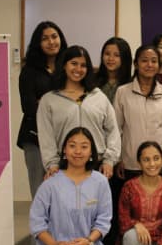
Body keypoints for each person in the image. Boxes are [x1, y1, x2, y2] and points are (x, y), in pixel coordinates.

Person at [29, 127, 112, 245]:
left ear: (91, 152)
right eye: (72, 145)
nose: (78, 151)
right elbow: (37, 222)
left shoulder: (100, 182)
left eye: (84, 146)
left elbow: (104, 220)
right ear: (64, 150)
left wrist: (88, 240)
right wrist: (54, 244)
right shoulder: (50, 184)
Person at [37, 45, 121, 180]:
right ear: (64, 65)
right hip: (63, 167)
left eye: (83, 65)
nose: (78, 69)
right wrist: (51, 164)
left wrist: (109, 160)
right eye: (74, 64)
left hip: (97, 167)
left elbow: (113, 131)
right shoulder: (49, 100)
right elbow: (46, 136)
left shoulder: (98, 96)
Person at [114, 44, 162, 179]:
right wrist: (118, 158)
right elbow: (116, 128)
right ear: (136, 64)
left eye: (154, 61)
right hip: (131, 162)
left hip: (161, 161)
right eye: (144, 60)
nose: (149, 65)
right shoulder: (122, 92)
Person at [17, 21, 67, 198]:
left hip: (63, 136)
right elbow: (29, 106)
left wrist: (44, 101)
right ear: (38, 43)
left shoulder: (68, 68)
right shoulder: (29, 71)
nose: (51, 42)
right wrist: (58, 104)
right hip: (35, 137)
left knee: (63, 191)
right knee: (40, 190)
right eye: (45, 38)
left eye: (54, 36)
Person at [95, 37, 133, 105]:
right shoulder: (92, 81)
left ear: (125, 58)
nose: (110, 58)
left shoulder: (131, 84)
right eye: (107, 54)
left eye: (116, 55)